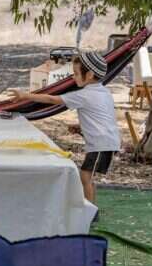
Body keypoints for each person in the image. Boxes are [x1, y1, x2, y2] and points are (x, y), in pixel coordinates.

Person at [10, 51, 119, 209]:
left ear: (89, 75)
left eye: (75, 73)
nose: (73, 77)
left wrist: (25, 96)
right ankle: (90, 207)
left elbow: (51, 99)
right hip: (107, 142)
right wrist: (81, 128)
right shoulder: (104, 92)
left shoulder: (84, 94)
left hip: (102, 144)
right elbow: (102, 117)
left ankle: (89, 211)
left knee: (85, 177)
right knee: (88, 177)